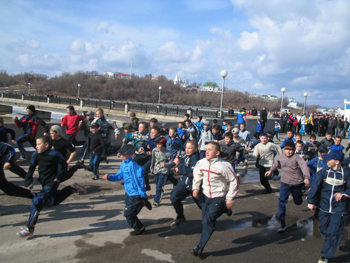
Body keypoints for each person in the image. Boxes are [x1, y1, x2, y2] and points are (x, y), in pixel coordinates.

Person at [17, 136, 85, 237]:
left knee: (37, 201)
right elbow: (31, 169)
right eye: (36, 144)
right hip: (44, 182)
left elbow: (63, 167)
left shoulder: (55, 155)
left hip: (52, 182)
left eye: (38, 144)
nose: (36, 146)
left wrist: (59, 177)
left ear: (46, 145)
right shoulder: (36, 155)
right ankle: (71, 189)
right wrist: (28, 179)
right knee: (53, 201)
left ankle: (29, 228)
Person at [190, 142, 238, 257]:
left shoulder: (224, 165)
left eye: (210, 150)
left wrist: (229, 198)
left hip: (218, 197)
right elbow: (197, 175)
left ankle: (199, 247)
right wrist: (195, 188)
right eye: (206, 149)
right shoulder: (201, 163)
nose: (206, 151)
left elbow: (234, 180)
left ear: (217, 153)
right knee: (204, 220)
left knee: (208, 222)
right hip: (206, 196)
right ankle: (225, 209)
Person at [307, 150, 350, 263]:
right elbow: (314, 186)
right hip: (324, 207)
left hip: (339, 208)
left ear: (336, 161)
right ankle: (335, 235)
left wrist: (343, 194)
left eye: (328, 159)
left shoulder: (346, 173)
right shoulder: (323, 172)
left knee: (333, 232)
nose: (326, 160)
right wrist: (311, 201)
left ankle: (325, 256)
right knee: (324, 229)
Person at [102, 144, 152, 236]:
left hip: (135, 193)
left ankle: (139, 228)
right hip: (128, 192)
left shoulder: (132, 165)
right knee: (130, 212)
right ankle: (142, 203)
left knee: (128, 214)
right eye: (121, 155)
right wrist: (109, 176)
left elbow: (139, 179)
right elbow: (119, 175)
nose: (122, 157)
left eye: (124, 155)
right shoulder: (124, 164)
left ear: (130, 155)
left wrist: (142, 193)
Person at [265, 140, 310, 232]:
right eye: (286, 149)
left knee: (298, 202)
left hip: (296, 183)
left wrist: (307, 177)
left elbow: (304, 165)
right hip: (285, 182)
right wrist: (270, 170)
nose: (288, 152)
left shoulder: (296, 157)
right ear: (284, 149)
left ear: (293, 150)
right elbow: (276, 164)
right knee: (281, 202)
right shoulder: (281, 157)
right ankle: (282, 223)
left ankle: (299, 196)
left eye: (291, 150)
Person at [170, 140, 200, 226]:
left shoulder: (195, 158)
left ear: (195, 149)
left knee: (202, 204)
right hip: (184, 181)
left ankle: (223, 208)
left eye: (190, 148)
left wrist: (179, 165)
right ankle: (180, 216)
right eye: (186, 147)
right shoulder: (186, 154)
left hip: (193, 184)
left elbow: (191, 173)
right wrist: (179, 164)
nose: (187, 150)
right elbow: (182, 161)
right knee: (174, 197)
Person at [150, 137, 174, 207]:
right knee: (158, 185)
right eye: (157, 144)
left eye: (159, 144)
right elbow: (153, 160)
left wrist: (166, 165)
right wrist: (151, 168)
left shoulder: (168, 153)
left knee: (159, 186)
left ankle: (156, 201)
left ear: (163, 144)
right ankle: (161, 191)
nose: (158, 146)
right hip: (156, 170)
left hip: (164, 171)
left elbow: (172, 162)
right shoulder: (154, 150)